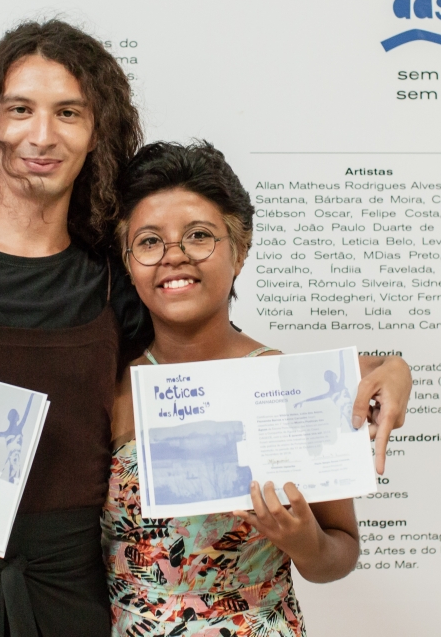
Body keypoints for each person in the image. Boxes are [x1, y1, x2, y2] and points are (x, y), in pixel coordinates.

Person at [0, 20, 412, 637]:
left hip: (72, 595)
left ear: (97, 133)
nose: (43, 134)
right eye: (20, 109)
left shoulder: (114, 280)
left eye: (68, 112)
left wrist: (389, 368)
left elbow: (225, 371)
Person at [105, 141, 367, 636]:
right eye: (149, 241)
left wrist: (305, 541)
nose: (174, 256)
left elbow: (340, 552)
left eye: (199, 236)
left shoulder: (289, 384)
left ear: (240, 252)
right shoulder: (110, 385)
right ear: (128, 262)